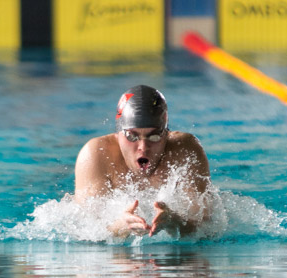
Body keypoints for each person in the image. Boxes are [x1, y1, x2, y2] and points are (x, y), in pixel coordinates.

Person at [74, 85, 213, 238]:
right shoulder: (96, 155)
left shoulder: (185, 150)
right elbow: (83, 231)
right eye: (132, 136)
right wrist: (120, 226)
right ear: (118, 133)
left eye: (154, 136)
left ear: (166, 134)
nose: (143, 147)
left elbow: (208, 228)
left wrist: (176, 222)